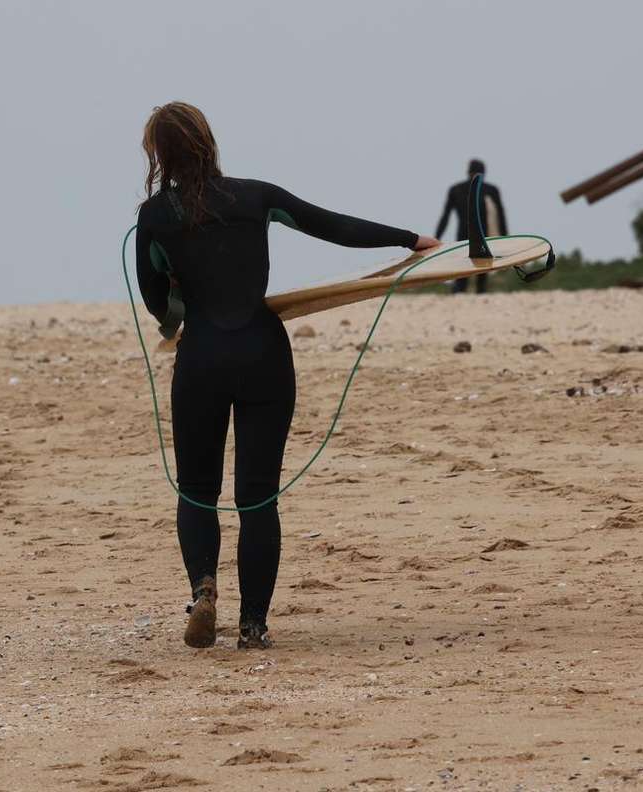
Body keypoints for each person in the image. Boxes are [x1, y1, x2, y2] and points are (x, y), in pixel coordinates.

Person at [133, 102, 437, 649]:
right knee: (258, 497)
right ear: (208, 140)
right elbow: (332, 225)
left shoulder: (154, 216)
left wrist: (179, 297)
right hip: (263, 357)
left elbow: (159, 305)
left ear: (159, 154)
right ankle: (254, 625)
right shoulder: (256, 196)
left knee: (198, 490)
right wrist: (410, 239)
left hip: (201, 359)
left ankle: (204, 587)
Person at [435, 159, 508, 294]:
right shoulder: (490, 190)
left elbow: (445, 217)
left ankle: (459, 294)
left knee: (463, 269)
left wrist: (436, 238)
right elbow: (500, 216)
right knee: (483, 269)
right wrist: (505, 238)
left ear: (468, 171)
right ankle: (479, 294)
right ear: (484, 173)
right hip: (483, 236)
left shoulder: (456, 189)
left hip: (463, 236)